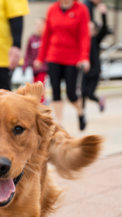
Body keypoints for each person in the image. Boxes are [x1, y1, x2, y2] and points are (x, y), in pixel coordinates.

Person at [35, 0, 91, 130]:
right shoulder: (52, 9)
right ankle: (60, 124)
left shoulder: (81, 9)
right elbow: (46, 35)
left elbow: (84, 36)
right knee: (56, 92)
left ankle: (81, 112)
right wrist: (40, 57)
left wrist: (84, 58)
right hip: (54, 56)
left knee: (71, 94)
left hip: (72, 58)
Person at [82, 3, 108, 112]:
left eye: (91, 29)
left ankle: (99, 100)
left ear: (95, 30)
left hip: (95, 71)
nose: (89, 31)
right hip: (85, 70)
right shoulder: (83, 40)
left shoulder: (96, 39)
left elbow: (105, 29)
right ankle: (81, 114)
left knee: (90, 94)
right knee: (82, 94)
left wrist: (104, 15)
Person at [23, 17, 48, 103]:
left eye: (40, 24)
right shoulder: (31, 39)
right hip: (34, 69)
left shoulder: (46, 39)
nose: (38, 26)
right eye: (36, 25)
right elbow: (27, 54)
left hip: (44, 68)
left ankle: (42, 102)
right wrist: (24, 66)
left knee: (40, 85)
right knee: (34, 87)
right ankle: (39, 102)